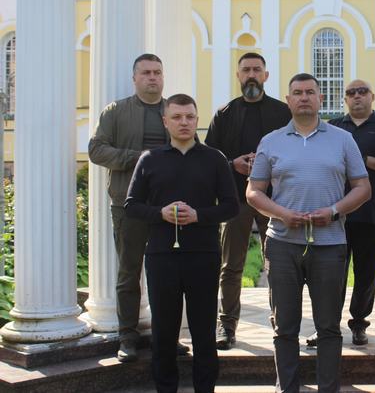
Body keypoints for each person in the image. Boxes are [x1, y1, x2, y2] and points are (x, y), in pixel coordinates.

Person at [246, 73, 371, 392]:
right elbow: (253, 191)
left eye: (310, 92)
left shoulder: (343, 139)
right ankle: (286, 388)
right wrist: (282, 213)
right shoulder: (271, 141)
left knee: (328, 327)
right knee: (284, 327)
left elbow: (363, 187)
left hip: (330, 245)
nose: (304, 97)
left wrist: (334, 211)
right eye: (297, 92)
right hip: (282, 244)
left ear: (320, 98)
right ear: (288, 100)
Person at [125, 94, 239, 393]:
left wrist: (199, 215)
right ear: (166, 121)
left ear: (197, 120)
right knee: (164, 331)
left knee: (204, 332)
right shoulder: (150, 159)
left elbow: (231, 207)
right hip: (162, 256)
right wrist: (160, 213)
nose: (184, 122)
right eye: (177, 117)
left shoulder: (214, 159)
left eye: (189, 117)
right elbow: (131, 206)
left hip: (204, 255)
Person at [88, 54, 188, 362]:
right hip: (129, 204)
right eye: (146, 73)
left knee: (168, 276)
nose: (152, 77)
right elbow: (96, 149)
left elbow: (190, 150)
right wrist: (138, 157)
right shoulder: (116, 111)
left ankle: (166, 337)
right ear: (135, 78)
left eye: (157, 72)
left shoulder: (174, 111)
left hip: (169, 207)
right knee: (129, 273)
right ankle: (127, 337)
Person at [205, 52, 291, 350]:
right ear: (238, 75)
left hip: (274, 200)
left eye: (257, 69)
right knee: (231, 266)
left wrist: (267, 166)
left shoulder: (283, 113)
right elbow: (209, 157)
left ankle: (282, 324)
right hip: (235, 200)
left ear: (266, 76)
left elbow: (295, 151)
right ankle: (227, 326)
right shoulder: (224, 114)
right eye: (246, 70)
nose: (251, 74)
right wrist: (234, 163)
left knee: (278, 264)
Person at [326, 79, 375, 345]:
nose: (357, 96)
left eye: (362, 91)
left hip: (372, 213)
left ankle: (359, 323)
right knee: (331, 275)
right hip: (336, 215)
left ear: (372, 96)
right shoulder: (333, 127)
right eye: (351, 93)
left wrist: (362, 160)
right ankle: (327, 325)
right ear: (345, 99)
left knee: (366, 274)